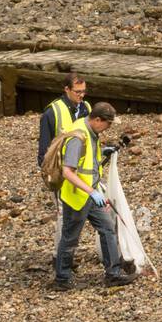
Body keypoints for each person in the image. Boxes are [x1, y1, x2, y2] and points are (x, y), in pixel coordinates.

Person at [53, 102, 137, 289]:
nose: (109, 128)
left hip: (91, 193)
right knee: (70, 237)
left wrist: (101, 156)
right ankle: (62, 279)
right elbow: (68, 171)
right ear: (97, 120)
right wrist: (92, 192)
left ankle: (113, 274)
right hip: (78, 196)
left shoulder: (91, 132)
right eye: (108, 124)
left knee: (107, 228)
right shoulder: (78, 137)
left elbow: (88, 164)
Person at [37, 72, 90, 168]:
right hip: (61, 170)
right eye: (78, 92)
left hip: (83, 168)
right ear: (67, 89)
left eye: (84, 91)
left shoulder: (87, 108)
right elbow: (43, 153)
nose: (82, 95)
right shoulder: (51, 113)